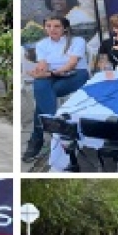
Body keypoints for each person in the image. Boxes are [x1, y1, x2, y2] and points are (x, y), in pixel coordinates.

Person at [22, 16, 90, 163]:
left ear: (64, 28)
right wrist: (40, 71)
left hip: (76, 74)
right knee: (41, 85)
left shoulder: (77, 41)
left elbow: (72, 64)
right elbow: (43, 63)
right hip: (52, 75)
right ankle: (57, 127)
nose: (52, 29)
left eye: (56, 26)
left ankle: (37, 139)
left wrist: (50, 73)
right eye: (48, 26)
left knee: (43, 94)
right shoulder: (42, 44)